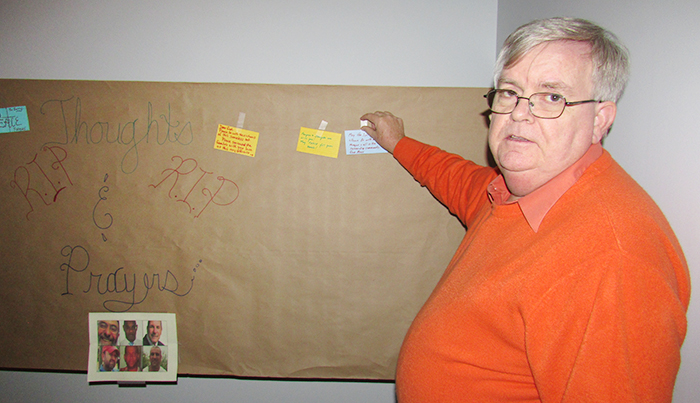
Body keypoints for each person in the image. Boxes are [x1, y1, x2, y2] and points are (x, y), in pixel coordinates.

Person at [361, 17, 690, 403]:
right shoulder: (517, 191)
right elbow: (458, 180)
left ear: (600, 119)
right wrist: (399, 143)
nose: (519, 113)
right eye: (510, 93)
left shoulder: (613, 258)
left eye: (552, 97)